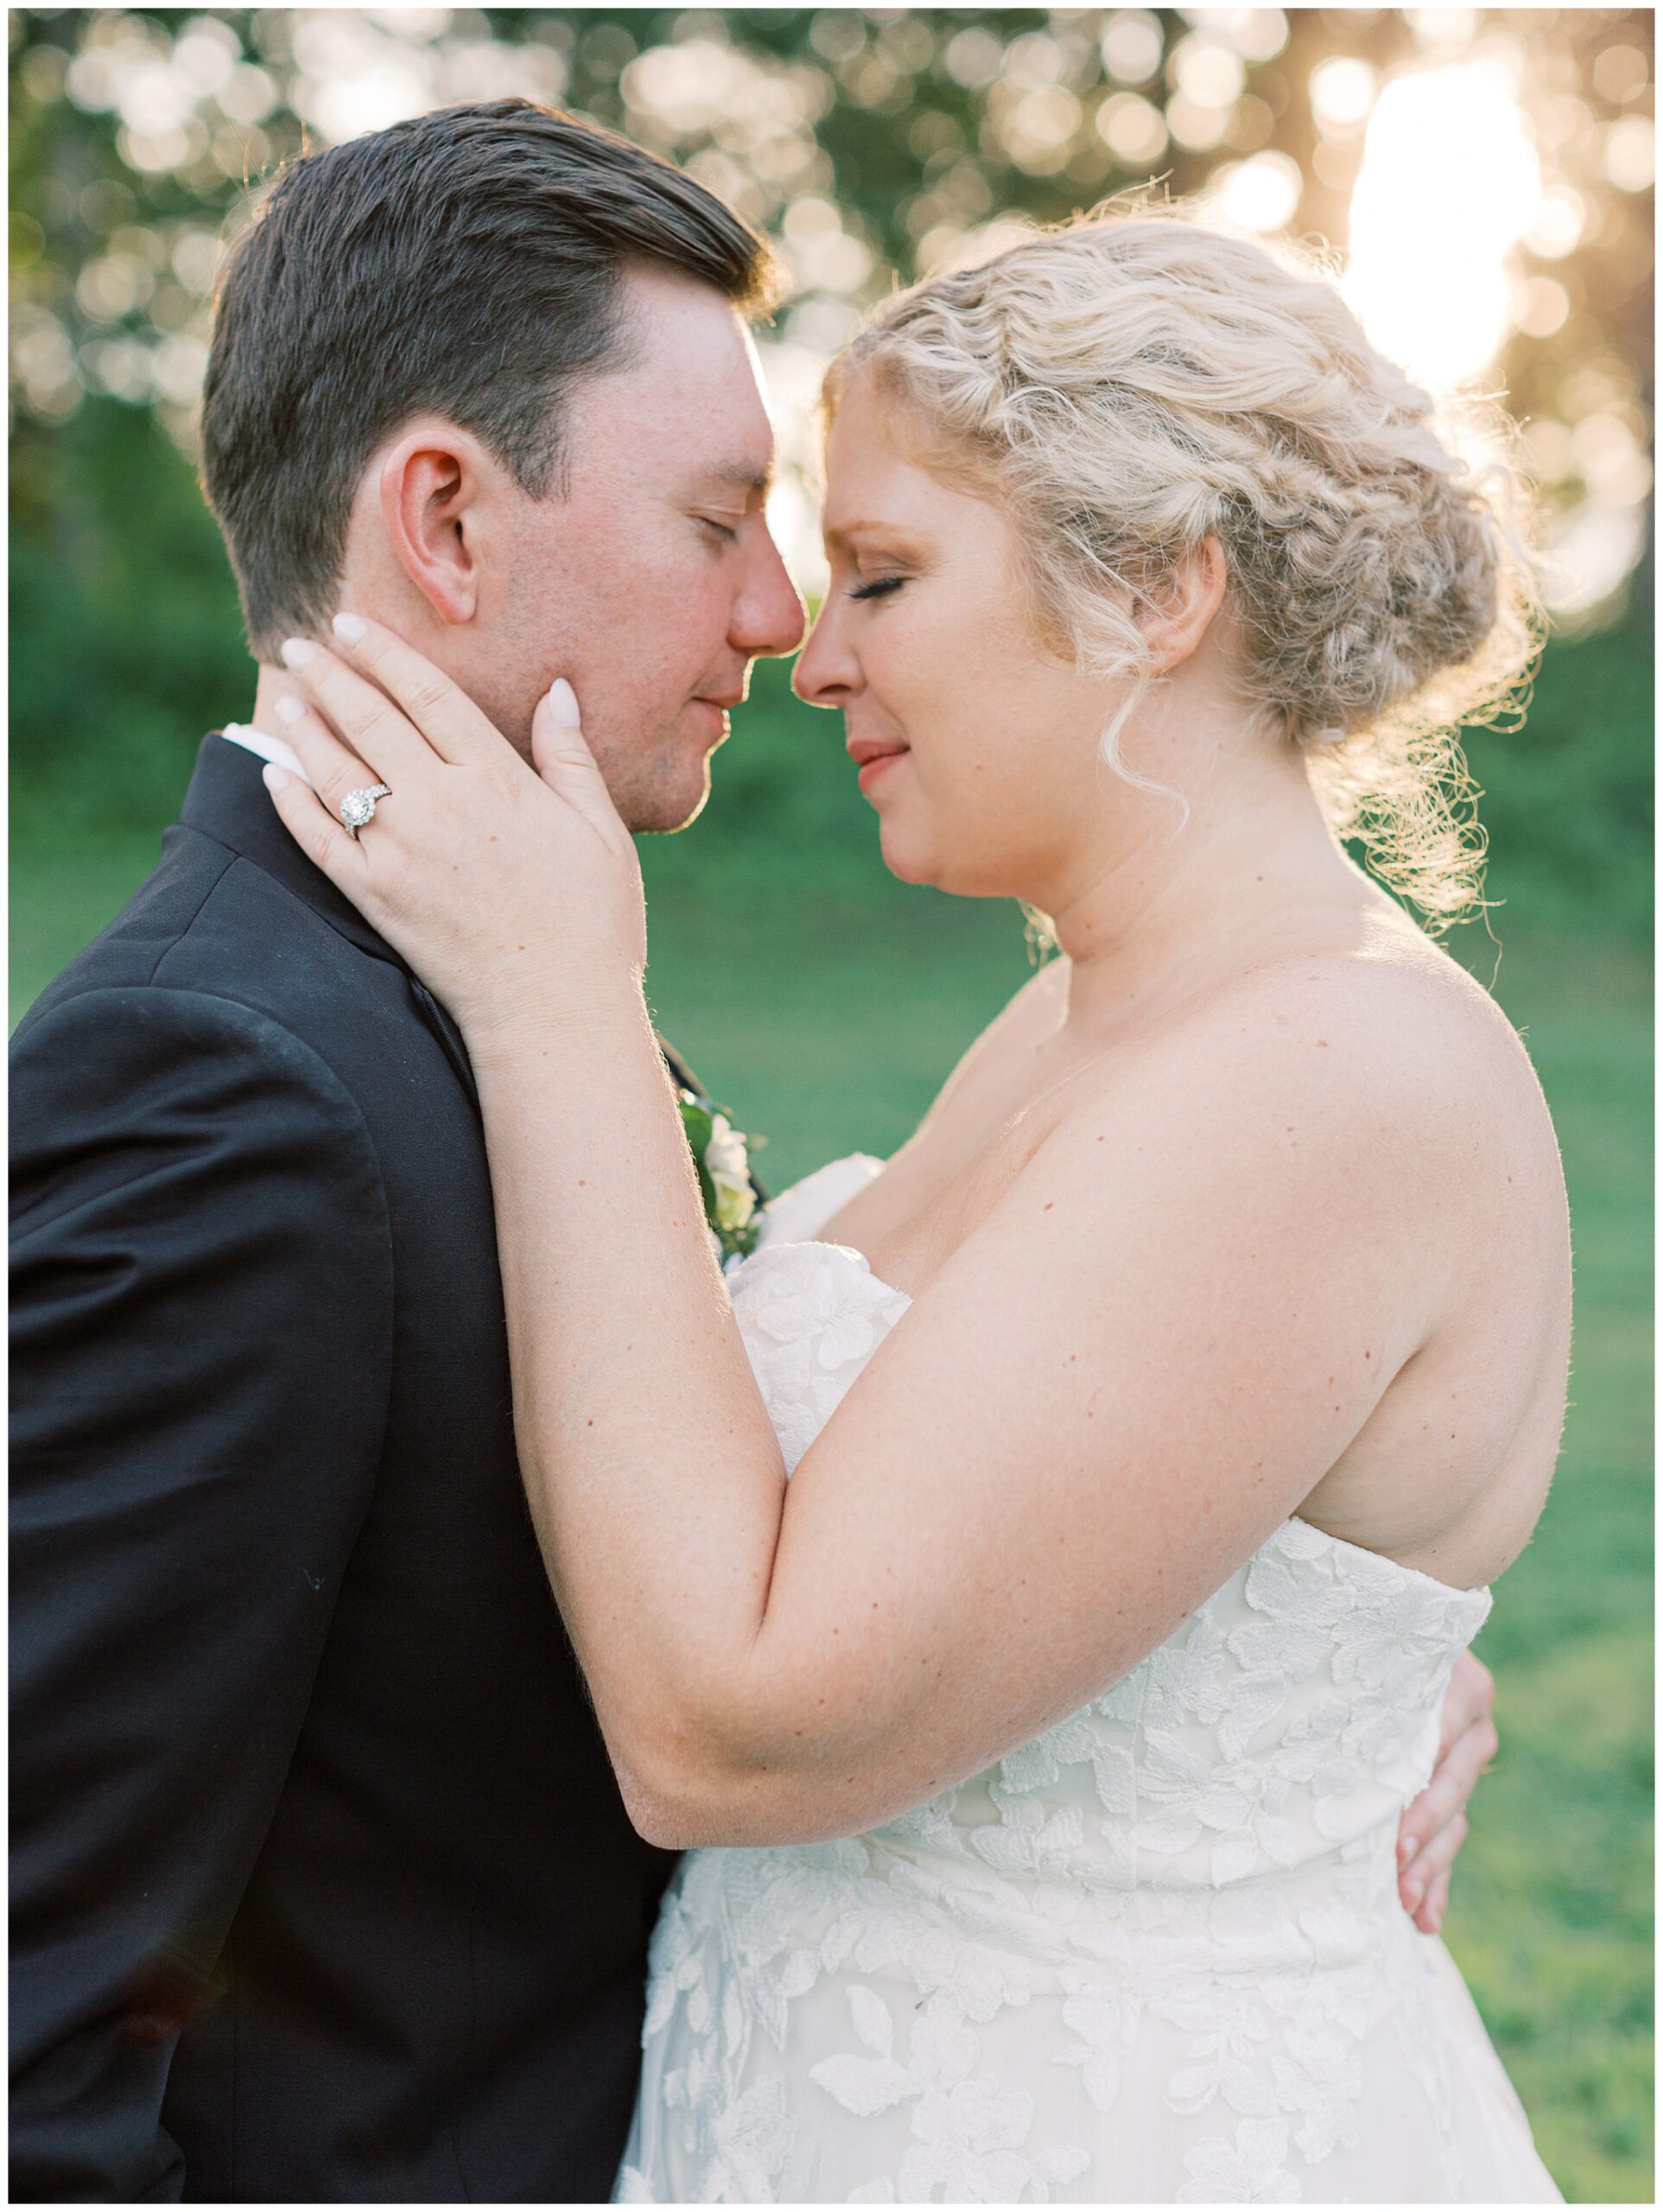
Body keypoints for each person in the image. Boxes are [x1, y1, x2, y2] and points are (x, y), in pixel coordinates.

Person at [260, 209, 1568, 2202]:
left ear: (1159, 588)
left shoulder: (1340, 1066)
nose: (815, 649)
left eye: (882, 571)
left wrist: (554, 1000)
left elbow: (733, 1726)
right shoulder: (1086, 1011)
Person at [9, 100, 805, 2202]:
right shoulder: (217, 1086)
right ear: (445, 518)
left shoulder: (497, 976)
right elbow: (27, 2014)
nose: (781, 609)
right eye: (719, 520)